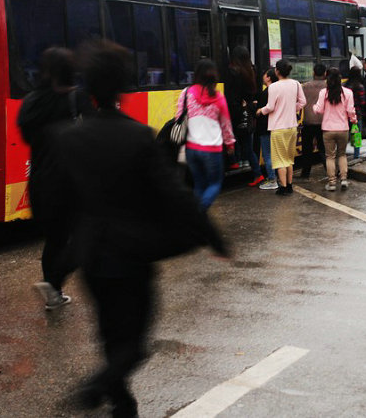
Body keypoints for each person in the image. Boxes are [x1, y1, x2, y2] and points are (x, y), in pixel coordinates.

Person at [54, 40, 228, 417]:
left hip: (90, 256)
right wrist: (211, 235)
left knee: (110, 334)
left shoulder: (69, 139)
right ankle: (98, 386)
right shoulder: (137, 136)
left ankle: (122, 403)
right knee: (134, 345)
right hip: (130, 256)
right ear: (122, 87)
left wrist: (66, 249)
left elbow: (56, 202)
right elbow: (174, 193)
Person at [17, 47, 93, 310]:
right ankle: (54, 282)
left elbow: (27, 136)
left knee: (55, 239)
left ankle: (54, 294)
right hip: (70, 182)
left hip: (40, 182)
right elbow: (92, 133)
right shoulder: (76, 99)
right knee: (86, 236)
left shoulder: (31, 102)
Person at [178, 59, 235, 211]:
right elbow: (226, 125)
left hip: (191, 149)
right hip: (212, 150)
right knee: (215, 184)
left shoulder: (185, 94)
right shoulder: (219, 97)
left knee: (199, 184)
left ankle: (196, 219)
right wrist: (230, 144)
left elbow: (179, 119)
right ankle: (196, 216)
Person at [256, 60, 306, 195]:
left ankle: (283, 187)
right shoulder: (296, 84)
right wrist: (291, 109)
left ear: (277, 71)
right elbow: (303, 102)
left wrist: (261, 111)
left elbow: (271, 107)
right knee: (289, 159)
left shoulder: (273, 87)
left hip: (278, 127)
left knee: (279, 160)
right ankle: (289, 185)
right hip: (292, 127)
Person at [313, 68, 357, 191]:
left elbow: (319, 110)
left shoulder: (324, 93)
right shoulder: (348, 93)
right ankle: (343, 180)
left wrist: (314, 107)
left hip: (328, 130)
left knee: (330, 157)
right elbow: (350, 111)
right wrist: (354, 120)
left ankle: (332, 183)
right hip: (343, 129)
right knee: (342, 155)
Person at [226, 46, 260, 180]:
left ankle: (240, 163)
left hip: (238, 111)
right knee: (247, 143)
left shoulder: (234, 72)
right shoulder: (252, 70)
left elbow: (234, 95)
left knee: (236, 138)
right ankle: (243, 162)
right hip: (248, 112)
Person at [299, 64, 327, 179]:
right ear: (325, 73)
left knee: (307, 150)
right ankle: (330, 171)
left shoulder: (305, 86)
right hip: (323, 122)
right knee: (323, 149)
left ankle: (305, 173)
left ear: (313, 73)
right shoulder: (328, 86)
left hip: (308, 122)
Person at [253, 68, 279, 190]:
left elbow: (260, 111)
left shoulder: (266, 93)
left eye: (264, 75)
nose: (263, 76)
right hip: (276, 126)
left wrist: (255, 108)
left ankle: (272, 179)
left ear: (268, 78)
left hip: (265, 127)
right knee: (275, 154)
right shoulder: (277, 91)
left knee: (267, 155)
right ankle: (277, 177)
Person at [346, 67, 366, 159]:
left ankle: (342, 153)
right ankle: (356, 154)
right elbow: (362, 102)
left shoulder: (345, 86)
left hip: (345, 114)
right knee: (356, 134)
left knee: (346, 134)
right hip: (357, 114)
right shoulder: (360, 87)